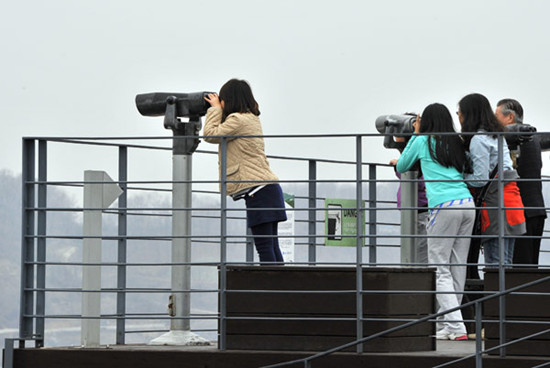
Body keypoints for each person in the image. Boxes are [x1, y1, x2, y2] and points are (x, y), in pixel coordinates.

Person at [396, 103, 474, 341]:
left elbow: (402, 165)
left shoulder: (423, 140)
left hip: (443, 206)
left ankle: (455, 326)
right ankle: (448, 323)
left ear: (425, 122)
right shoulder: (455, 141)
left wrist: (416, 135)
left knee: (439, 267)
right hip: (467, 204)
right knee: (457, 267)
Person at [203, 79, 287, 265]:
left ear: (228, 100)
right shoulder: (252, 118)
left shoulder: (238, 120)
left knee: (265, 247)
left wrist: (215, 109)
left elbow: (210, 134)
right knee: (272, 245)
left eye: (221, 100)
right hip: (269, 188)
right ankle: (280, 287)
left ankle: (271, 288)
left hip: (259, 191)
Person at [458, 93, 526, 266]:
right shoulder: (497, 135)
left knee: (496, 265)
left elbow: (480, 179)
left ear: (469, 114)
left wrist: (459, 179)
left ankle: (497, 294)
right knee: (506, 264)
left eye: (460, 113)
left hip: (497, 206)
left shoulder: (479, 140)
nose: (458, 117)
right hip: (511, 202)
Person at [495, 98, 546, 267]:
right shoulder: (533, 138)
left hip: (521, 212)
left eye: (496, 116)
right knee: (530, 267)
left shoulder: (513, 140)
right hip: (536, 209)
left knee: (518, 268)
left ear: (509, 118)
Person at [389, 154, 429, 264]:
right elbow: (407, 176)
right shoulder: (424, 163)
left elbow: (418, 181)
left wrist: (399, 166)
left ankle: (421, 275)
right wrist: (399, 167)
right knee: (415, 247)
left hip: (420, 211)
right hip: (415, 211)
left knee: (420, 248)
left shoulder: (425, 166)